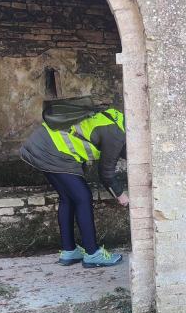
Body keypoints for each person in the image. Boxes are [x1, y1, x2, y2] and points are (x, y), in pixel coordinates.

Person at [20, 106, 129, 267]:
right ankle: (92, 253)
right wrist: (120, 195)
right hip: (52, 151)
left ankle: (69, 251)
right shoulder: (117, 136)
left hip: (40, 144)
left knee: (68, 198)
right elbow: (106, 174)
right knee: (83, 197)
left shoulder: (116, 117)